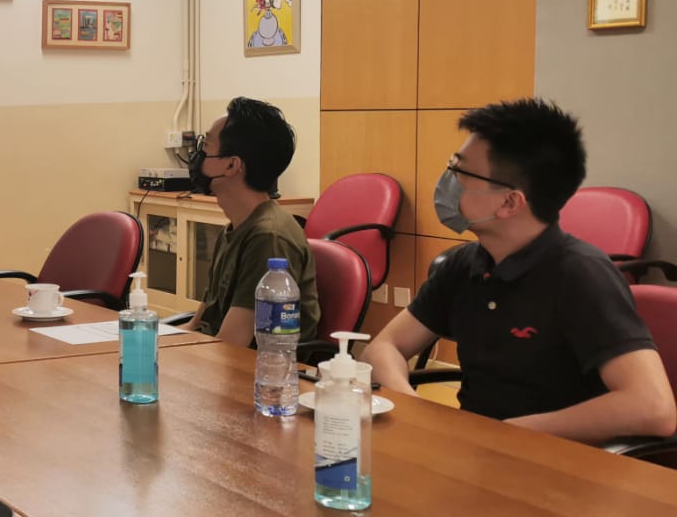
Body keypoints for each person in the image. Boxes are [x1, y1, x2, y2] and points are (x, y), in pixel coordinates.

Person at [362, 99, 675, 442]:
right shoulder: (465, 263)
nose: (448, 182)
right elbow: (383, 348)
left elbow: (654, 409)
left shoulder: (582, 275)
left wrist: (505, 435)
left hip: (556, 461)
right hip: (475, 452)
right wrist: (417, 412)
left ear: (510, 202)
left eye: (461, 172)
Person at [185, 98, 320, 346]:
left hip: (252, 366)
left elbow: (231, 344)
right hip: (212, 355)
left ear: (232, 165)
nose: (198, 155)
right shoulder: (235, 228)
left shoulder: (268, 238)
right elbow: (197, 324)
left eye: (206, 146)